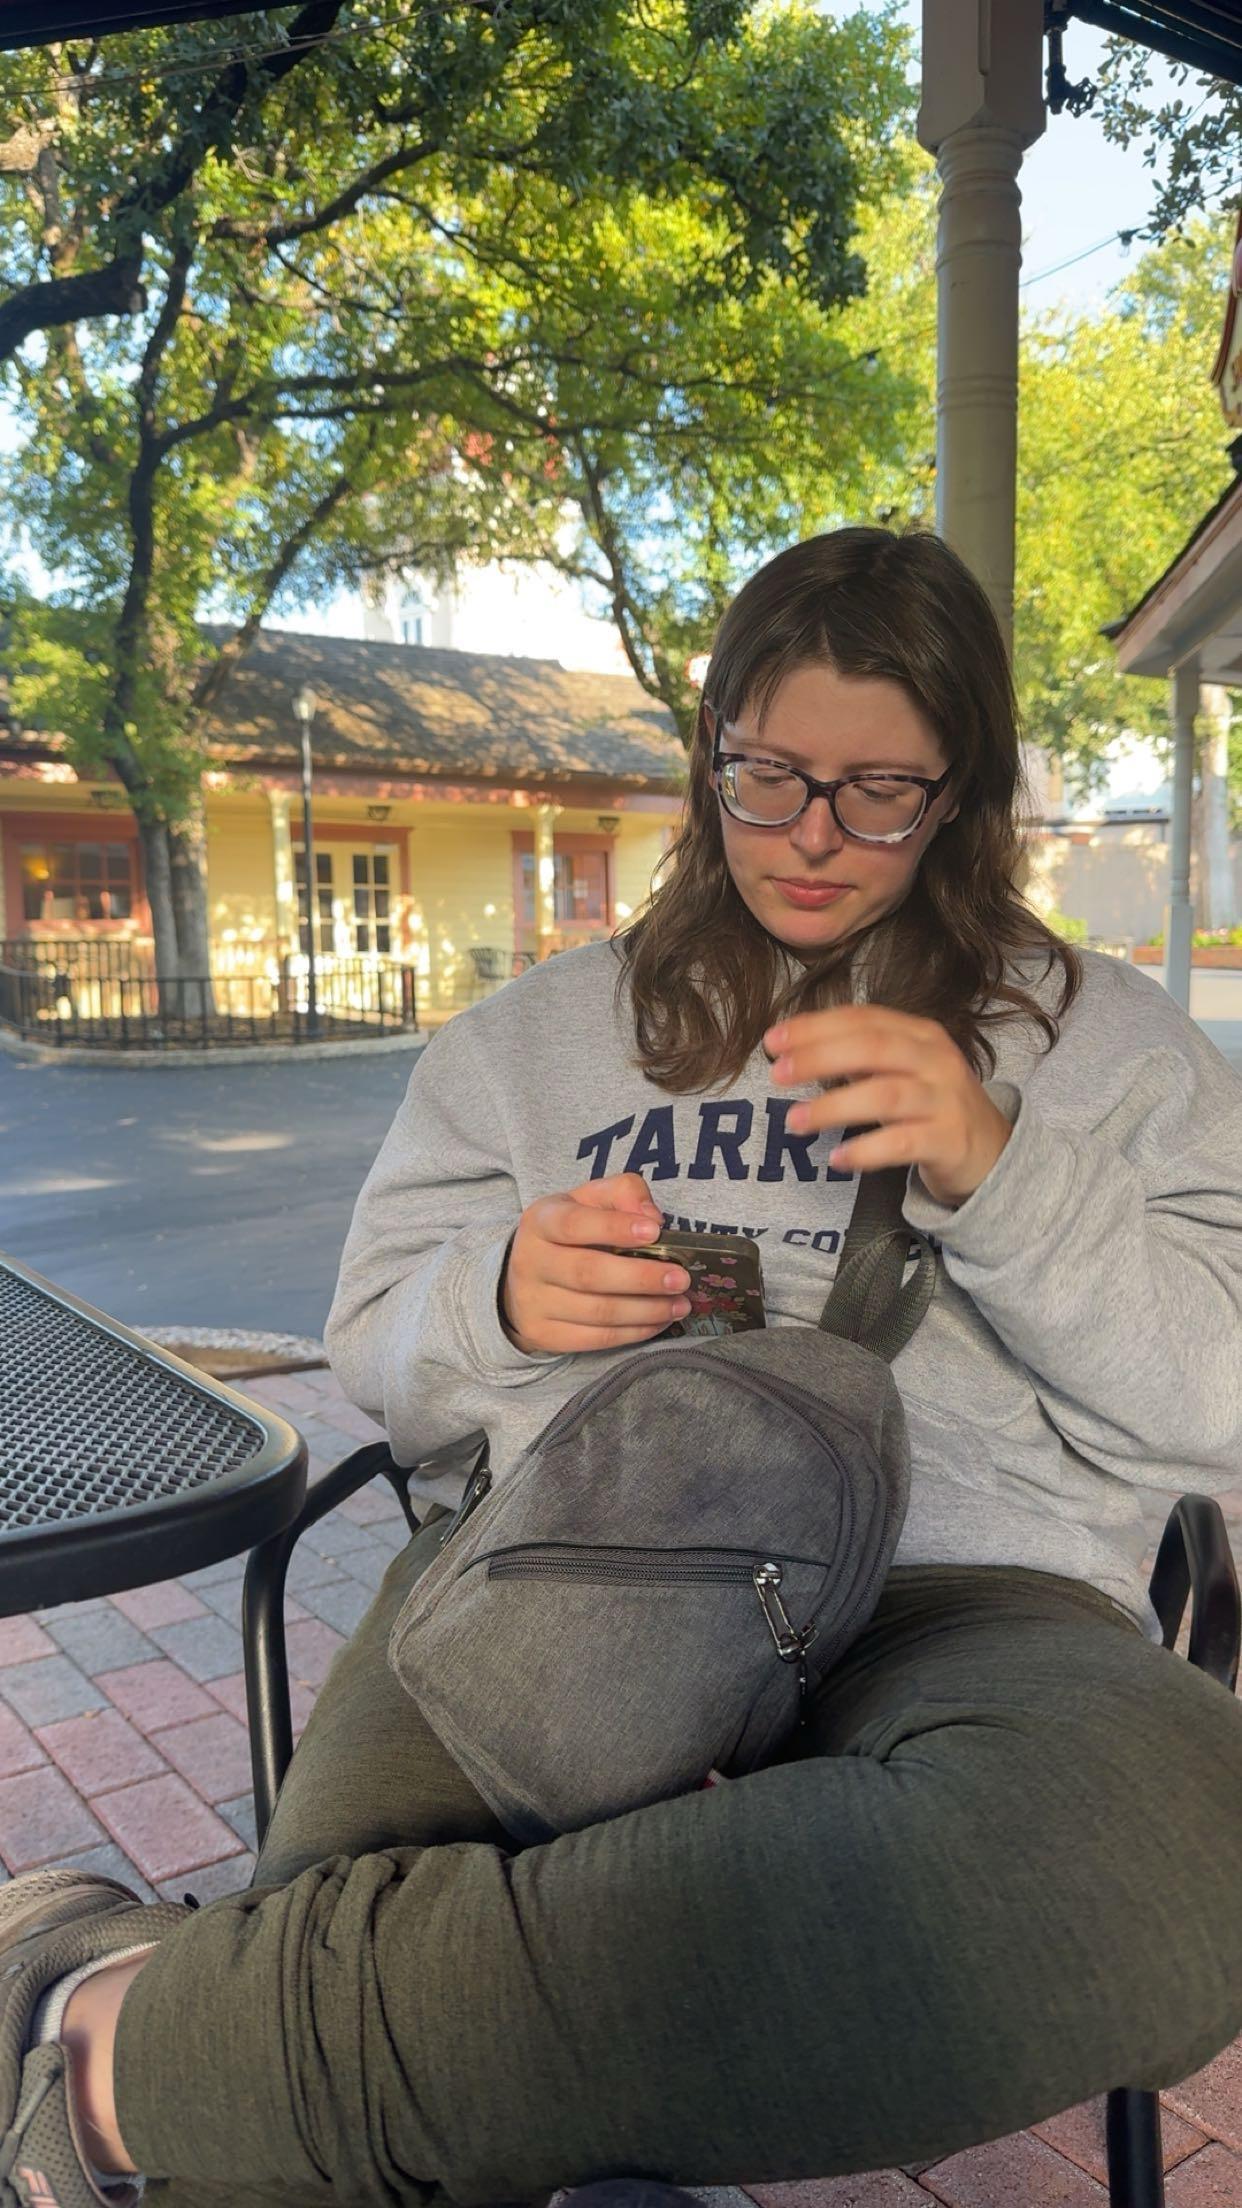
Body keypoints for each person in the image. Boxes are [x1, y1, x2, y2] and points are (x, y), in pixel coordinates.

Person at [3, 525, 1242, 2208]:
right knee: (333, 2065)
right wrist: (498, 1302)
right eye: (765, 777)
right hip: (563, 1564)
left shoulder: (1117, 1048)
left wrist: (1005, 1169)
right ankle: (252, 2067)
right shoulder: (523, 1042)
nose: (812, 836)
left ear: (960, 791)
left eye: (880, 792)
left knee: (1163, 1873)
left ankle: (108, 2026)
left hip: (970, 1597)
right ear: (708, 749)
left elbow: (1215, 1397)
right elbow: (379, 1352)